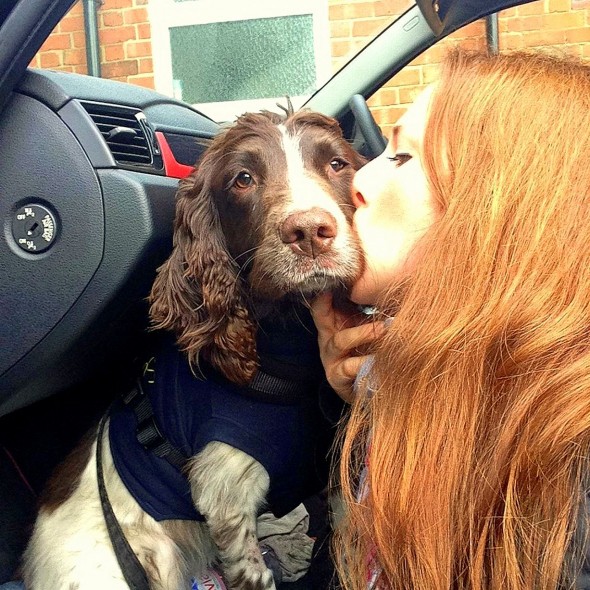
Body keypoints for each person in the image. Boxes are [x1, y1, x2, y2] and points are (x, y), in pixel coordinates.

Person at [311, 49, 590, 590]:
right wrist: (359, 405)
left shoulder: (567, 478)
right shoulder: (427, 376)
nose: (356, 184)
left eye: (401, 157)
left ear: (506, 211)